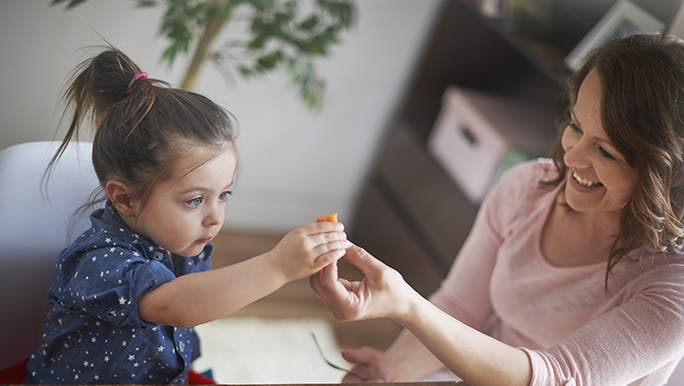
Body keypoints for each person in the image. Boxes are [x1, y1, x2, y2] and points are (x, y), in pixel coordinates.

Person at [310, 33, 684, 385]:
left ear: (666, 175)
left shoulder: (672, 289)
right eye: (575, 125)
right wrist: (391, 371)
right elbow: (460, 307)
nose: (571, 156)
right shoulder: (527, 189)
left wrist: (406, 305)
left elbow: (552, 377)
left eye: (604, 151)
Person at [24, 47, 351, 384]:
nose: (215, 217)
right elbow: (173, 306)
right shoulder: (99, 261)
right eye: (195, 200)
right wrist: (278, 266)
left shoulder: (177, 241)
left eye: (223, 195)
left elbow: (202, 297)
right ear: (125, 198)